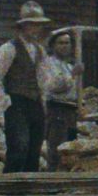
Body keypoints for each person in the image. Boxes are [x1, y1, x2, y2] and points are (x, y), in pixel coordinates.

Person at [0, 1, 53, 181]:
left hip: (35, 104)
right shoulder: (9, 49)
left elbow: (43, 78)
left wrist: (43, 101)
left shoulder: (39, 50)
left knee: (33, 151)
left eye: (39, 25)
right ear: (23, 26)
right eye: (32, 25)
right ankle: (5, 192)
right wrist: (1, 106)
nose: (36, 29)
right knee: (18, 149)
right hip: (17, 104)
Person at [39, 29, 82, 171]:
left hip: (70, 110)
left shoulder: (68, 65)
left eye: (67, 43)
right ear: (53, 46)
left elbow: (74, 91)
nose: (65, 46)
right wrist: (72, 75)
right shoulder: (48, 64)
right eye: (61, 43)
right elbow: (53, 86)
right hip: (57, 109)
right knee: (57, 149)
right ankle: (52, 181)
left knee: (70, 149)